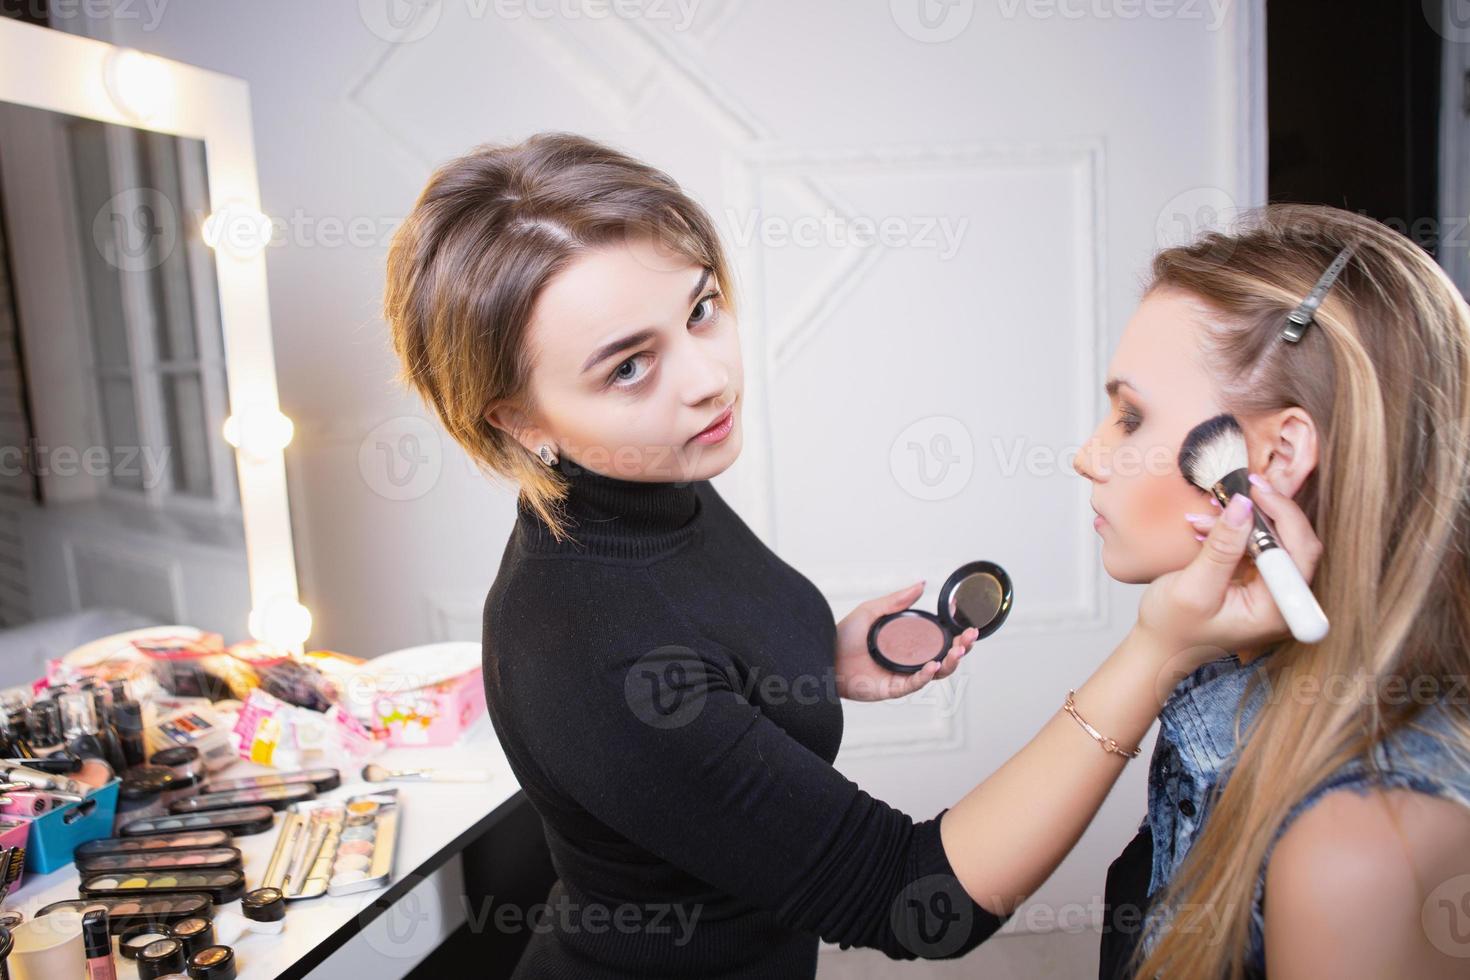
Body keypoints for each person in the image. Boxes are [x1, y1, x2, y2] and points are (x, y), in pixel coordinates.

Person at [383, 131, 1318, 978]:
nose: (709, 380)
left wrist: (812, 663)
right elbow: (917, 905)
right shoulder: (583, 641)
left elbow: (694, 659)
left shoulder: (643, 482)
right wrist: (1156, 652)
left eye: (701, 309)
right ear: (517, 420)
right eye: (629, 366)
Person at [1079, 204, 1470, 980]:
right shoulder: (1221, 671)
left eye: (1130, 417)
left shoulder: (1366, 847)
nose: (1087, 455)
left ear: (1280, 453)